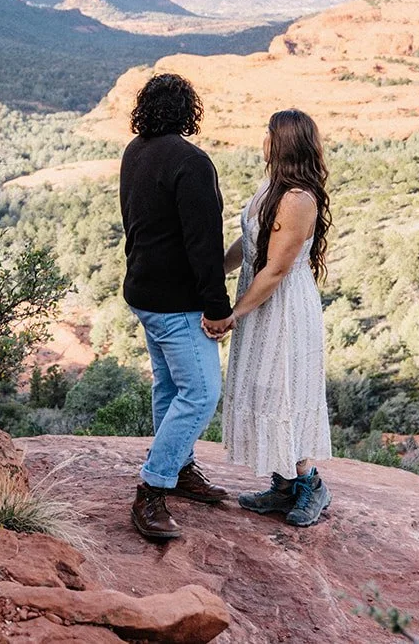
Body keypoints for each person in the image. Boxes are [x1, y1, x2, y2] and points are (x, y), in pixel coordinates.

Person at [119, 73, 233, 541]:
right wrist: (217, 307)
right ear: (189, 111)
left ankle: (180, 468)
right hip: (176, 303)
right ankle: (152, 487)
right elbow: (203, 244)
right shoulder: (191, 161)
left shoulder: (135, 151)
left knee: (170, 387)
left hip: (143, 291)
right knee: (203, 391)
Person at [216, 108, 334, 527]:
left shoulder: (299, 199)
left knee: (285, 389)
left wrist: (234, 313)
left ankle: (311, 485)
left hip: (282, 308)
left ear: (280, 143)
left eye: (267, 134)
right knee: (263, 387)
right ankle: (283, 485)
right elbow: (248, 245)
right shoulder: (270, 188)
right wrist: (216, 269)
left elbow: (277, 269)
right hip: (260, 298)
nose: (262, 140)